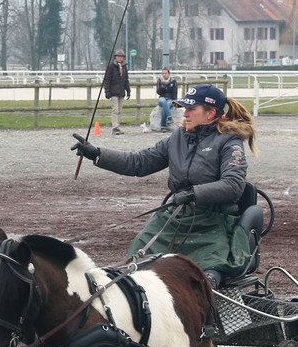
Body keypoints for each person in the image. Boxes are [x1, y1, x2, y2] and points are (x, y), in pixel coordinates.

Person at [71, 83, 259, 288]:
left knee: (210, 267)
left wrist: (194, 193)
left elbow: (233, 184)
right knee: (138, 256)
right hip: (176, 217)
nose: (185, 114)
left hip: (213, 221)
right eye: (185, 108)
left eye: (191, 109)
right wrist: (97, 154)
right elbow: (138, 162)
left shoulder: (229, 142)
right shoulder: (177, 137)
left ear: (210, 113)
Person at [103, 49, 131, 135]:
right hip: (113, 91)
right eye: (118, 56)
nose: (120, 58)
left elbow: (126, 80)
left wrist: (128, 90)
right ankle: (114, 127)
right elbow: (107, 79)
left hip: (121, 91)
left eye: (121, 56)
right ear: (115, 57)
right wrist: (107, 91)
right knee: (115, 110)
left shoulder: (124, 66)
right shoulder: (111, 66)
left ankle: (117, 126)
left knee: (119, 110)